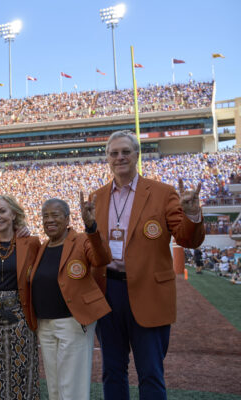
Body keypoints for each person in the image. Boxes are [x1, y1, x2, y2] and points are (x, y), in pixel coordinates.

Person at [91, 130, 205, 400]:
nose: (120, 157)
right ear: (107, 158)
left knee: (151, 372)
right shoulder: (96, 197)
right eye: (114, 153)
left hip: (149, 291)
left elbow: (188, 239)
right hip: (109, 292)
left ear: (137, 155)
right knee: (112, 371)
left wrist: (190, 212)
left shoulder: (163, 193)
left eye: (125, 152)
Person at [29, 196, 111, 400]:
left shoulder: (82, 239)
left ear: (67, 219)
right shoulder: (43, 246)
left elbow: (102, 258)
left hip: (73, 322)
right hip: (46, 324)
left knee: (72, 384)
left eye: (55, 215)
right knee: (54, 385)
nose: (49, 220)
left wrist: (91, 227)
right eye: (45, 216)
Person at [0, 195, 41, 399]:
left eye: (2, 211)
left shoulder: (31, 242)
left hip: (20, 316)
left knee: (23, 368)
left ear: (14, 214)